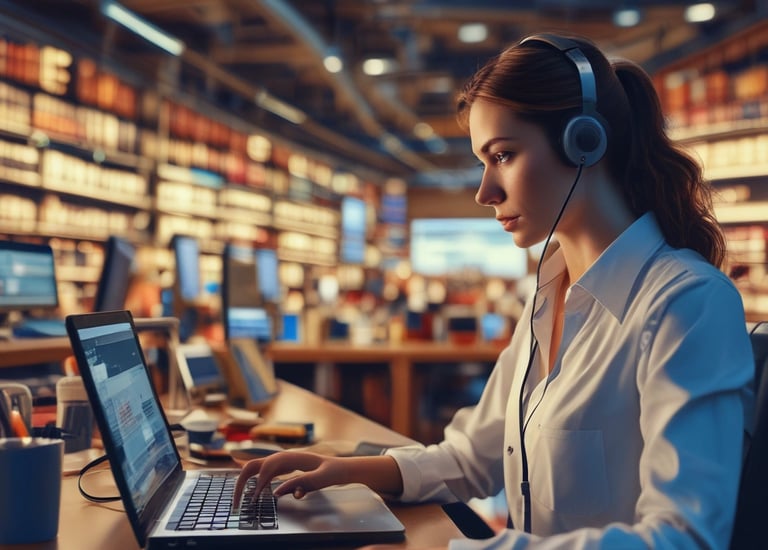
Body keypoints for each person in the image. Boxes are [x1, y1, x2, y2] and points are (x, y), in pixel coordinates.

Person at [233, 32, 755, 549]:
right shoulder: (549, 293)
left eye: (502, 155)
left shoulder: (685, 304)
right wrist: (349, 470)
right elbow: (471, 457)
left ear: (584, 142)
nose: (485, 192)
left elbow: (684, 538)